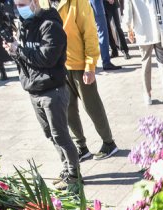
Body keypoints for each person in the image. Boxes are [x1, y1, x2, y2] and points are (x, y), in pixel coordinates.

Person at [6, 0, 81, 190]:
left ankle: (74, 174)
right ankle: (66, 168)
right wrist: (13, 52)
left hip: (52, 91)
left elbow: (47, 59)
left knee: (61, 136)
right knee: (50, 135)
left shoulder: (50, 26)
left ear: (35, 2)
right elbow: (26, 60)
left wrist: (20, 51)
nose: (19, 8)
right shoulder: (24, 25)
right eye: (17, 5)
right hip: (34, 89)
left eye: (23, 3)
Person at [45, 0, 118, 162]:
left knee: (92, 106)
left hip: (79, 64)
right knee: (68, 110)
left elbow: (90, 33)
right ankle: (81, 147)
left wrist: (90, 65)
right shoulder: (43, 3)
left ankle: (109, 143)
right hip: (58, 66)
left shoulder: (77, 2)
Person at [122, 0, 163, 114]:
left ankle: (147, 95)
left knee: (145, 63)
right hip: (159, 31)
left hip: (142, 33)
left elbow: (127, 15)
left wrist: (129, 28)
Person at [89, 0, 120, 69]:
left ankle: (92, 63)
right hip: (96, 4)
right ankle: (106, 62)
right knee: (103, 33)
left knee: (91, 34)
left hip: (86, 5)